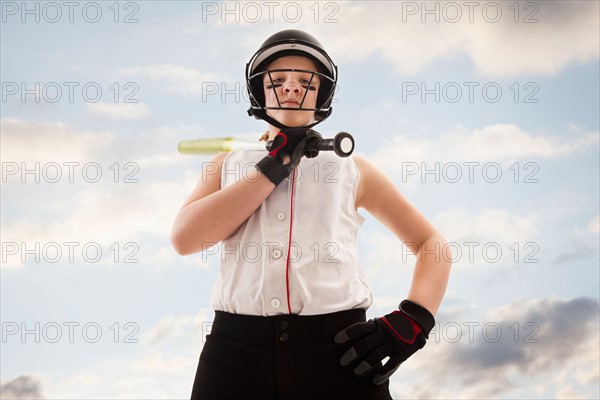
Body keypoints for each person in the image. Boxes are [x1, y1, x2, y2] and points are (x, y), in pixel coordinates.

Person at [171, 29, 451, 400]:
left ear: (321, 94)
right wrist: (275, 166)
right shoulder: (226, 163)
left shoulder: (353, 168)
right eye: (279, 80)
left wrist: (412, 321)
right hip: (234, 356)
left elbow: (432, 245)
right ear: (260, 90)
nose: (291, 88)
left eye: (306, 81)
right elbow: (186, 239)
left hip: (341, 353)